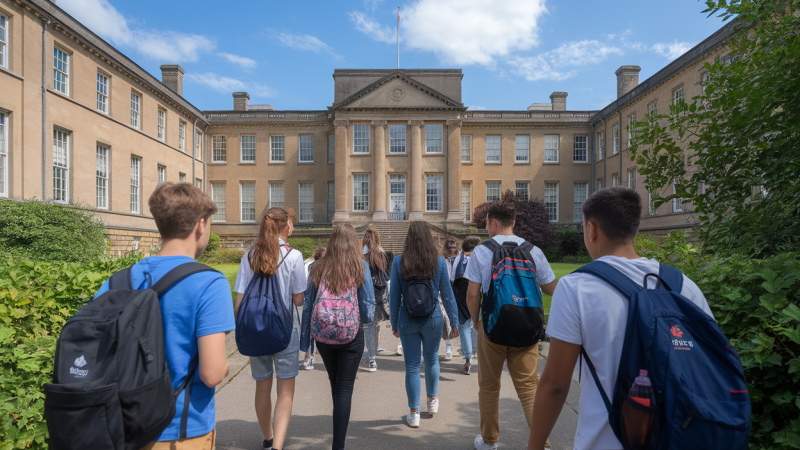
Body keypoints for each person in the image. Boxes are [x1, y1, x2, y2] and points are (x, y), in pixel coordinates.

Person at [527, 187, 714, 450]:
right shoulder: (683, 285)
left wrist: (534, 446)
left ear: (591, 229)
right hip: (681, 436)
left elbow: (556, 384)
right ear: (634, 229)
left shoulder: (576, 287)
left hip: (606, 441)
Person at [93, 182, 234, 449]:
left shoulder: (118, 281)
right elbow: (212, 374)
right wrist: (225, 365)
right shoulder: (209, 283)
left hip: (122, 428)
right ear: (201, 225)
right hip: (181, 431)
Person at [465, 201, 557, 450]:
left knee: (489, 387)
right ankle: (543, 444)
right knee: (529, 388)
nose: (486, 228)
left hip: (493, 327)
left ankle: (489, 441)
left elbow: (472, 295)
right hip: (527, 328)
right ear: (513, 223)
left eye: (486, 224)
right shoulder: (533, 250)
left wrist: (476, 322)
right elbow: (551, 288)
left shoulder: (482, 252)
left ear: (493, 223)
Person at [234, 207, 306, 450]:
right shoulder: (294, 256)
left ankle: (268, 438)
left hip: (256, 328)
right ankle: (278, 447)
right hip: (284, 329)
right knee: (285, 388)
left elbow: (239, 300)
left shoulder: (249, 256)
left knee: (262, 386)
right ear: (286, 226)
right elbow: (298, 300)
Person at [299, 224, 375, 450]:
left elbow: (308, 306)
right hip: (351, 334)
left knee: (335, 384)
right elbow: (368, 306)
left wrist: (306, 342)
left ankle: (338, 434)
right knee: (344, 388)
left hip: (323, 334)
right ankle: (338, 444)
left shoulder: (318, 267)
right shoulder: (360, 266)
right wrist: (360, 319)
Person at [390, 221, 459, 428]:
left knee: (411, 366)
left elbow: (395, 297)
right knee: (431, 360)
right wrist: (454, 321)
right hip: (432, 317)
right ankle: (431, 401)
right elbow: (447, 295)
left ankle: (413, 413)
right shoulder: (437, 261)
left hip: (407, 318)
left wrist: (394, 323)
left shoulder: (399, 261)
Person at [451, 235, 481, 375]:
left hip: (459, 294)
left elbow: (452, 278)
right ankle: (479, 355)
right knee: (476, 323)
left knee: (464, 326)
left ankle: (468, 358)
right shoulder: (479, 258)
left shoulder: (458, 259)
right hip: (475, 291)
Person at [361, 226, 389, 371]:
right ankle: (373, 355)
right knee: (374, 324)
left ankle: (364, 355)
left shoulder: (360, 253)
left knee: (362, 324)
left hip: (363, 290)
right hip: (377, 292)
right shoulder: (380, 252)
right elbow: (384, 274)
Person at [303, 246, 327, 370]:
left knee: (312, 332)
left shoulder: (312, 267)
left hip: (315, 305)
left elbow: (309, 291)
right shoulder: (331, 268)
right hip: (327, 307)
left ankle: (310, 357)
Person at [440, 237, 460, 360]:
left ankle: (465, 348)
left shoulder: (461, 259)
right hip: (445, 291)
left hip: (457, 291)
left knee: (457, 321)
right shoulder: (442, 260)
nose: (451, 250)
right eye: (449, 248)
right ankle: (448, 346)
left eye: (454, 248)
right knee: (445, 319)